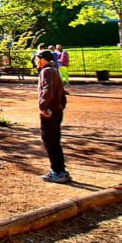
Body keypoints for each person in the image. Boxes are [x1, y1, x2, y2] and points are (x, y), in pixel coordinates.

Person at [36, 50, 71, 183]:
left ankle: (57, 172)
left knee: (50, 141)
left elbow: (47, 89)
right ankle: (60, 170)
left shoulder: (46, 71)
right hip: (56, 111)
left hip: (49, 112)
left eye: (37, 59)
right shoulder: (54, 70)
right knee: (55, 141)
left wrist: (43, 107)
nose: (36, 62)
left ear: (42, 59)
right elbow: (62, 93)